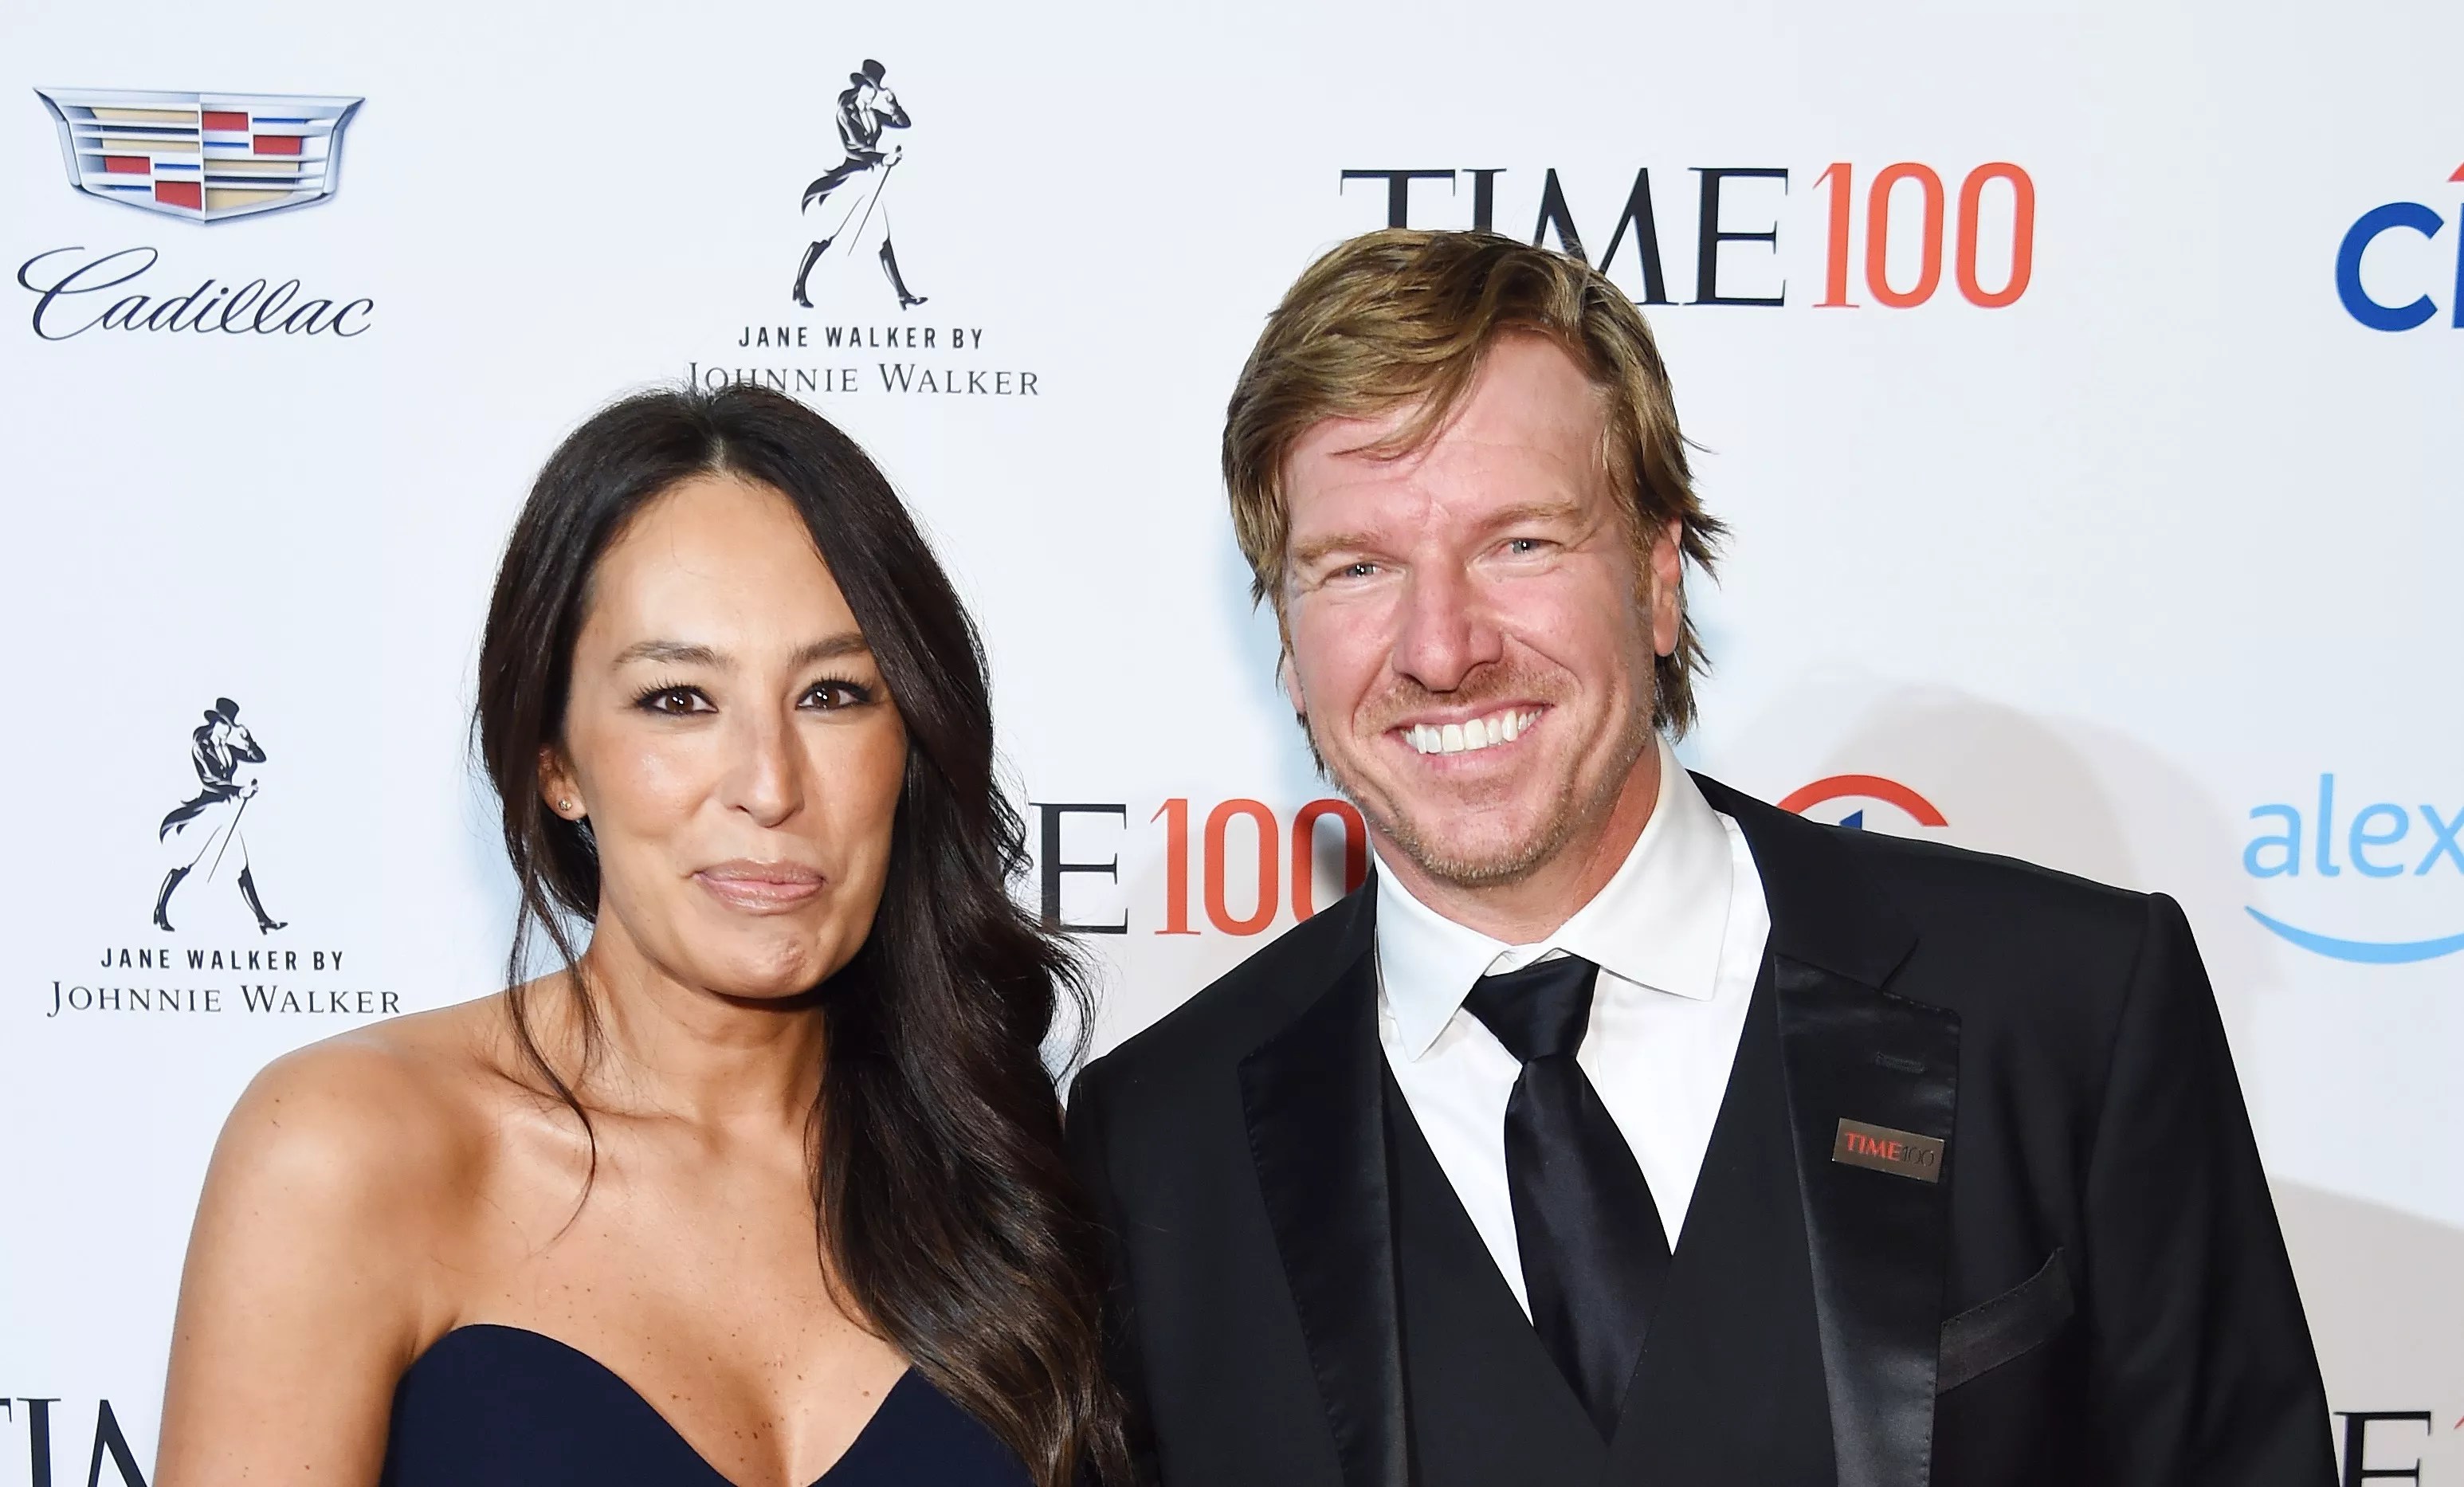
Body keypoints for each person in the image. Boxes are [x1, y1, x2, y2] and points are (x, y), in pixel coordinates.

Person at [1065, 230, 2336, 1487]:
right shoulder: (1157, 1149)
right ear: (1286, 643)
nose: (1441, 647)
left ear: (1660, 580)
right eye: (1357, 567)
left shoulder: (2064, 1009)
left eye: (1520, 542)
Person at [157, 385, 1122, 1487]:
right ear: (555, 762)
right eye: (677, 699)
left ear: (910, 743)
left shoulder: (1006, 1169)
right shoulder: (349, 1149)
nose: (768, 783)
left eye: (835, 692)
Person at [792, 58, 928, 311]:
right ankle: (799, 287)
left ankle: (902, 295)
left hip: (870, 180)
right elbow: (854, 148)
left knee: (882, 237)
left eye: (875, 90)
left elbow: (903, 123)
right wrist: (882, 157)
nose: (872, 93)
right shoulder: (846, 112)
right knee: (826, 234)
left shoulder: (874, 115)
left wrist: (893, 103)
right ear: (859, 87)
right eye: (869, 88)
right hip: (850, 180)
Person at [153, 696, 284, 934]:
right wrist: (239, 790)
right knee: (186, 862)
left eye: (230, 727)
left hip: (228, 812)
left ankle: (262, 919)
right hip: (207, 812)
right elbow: (210, 781)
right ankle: (160, 910)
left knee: (241, 865)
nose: (227, 731)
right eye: (223, 725)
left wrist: (248, 740)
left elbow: (259, 758)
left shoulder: (230, 750)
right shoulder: (201, 748)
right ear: (214, 723)